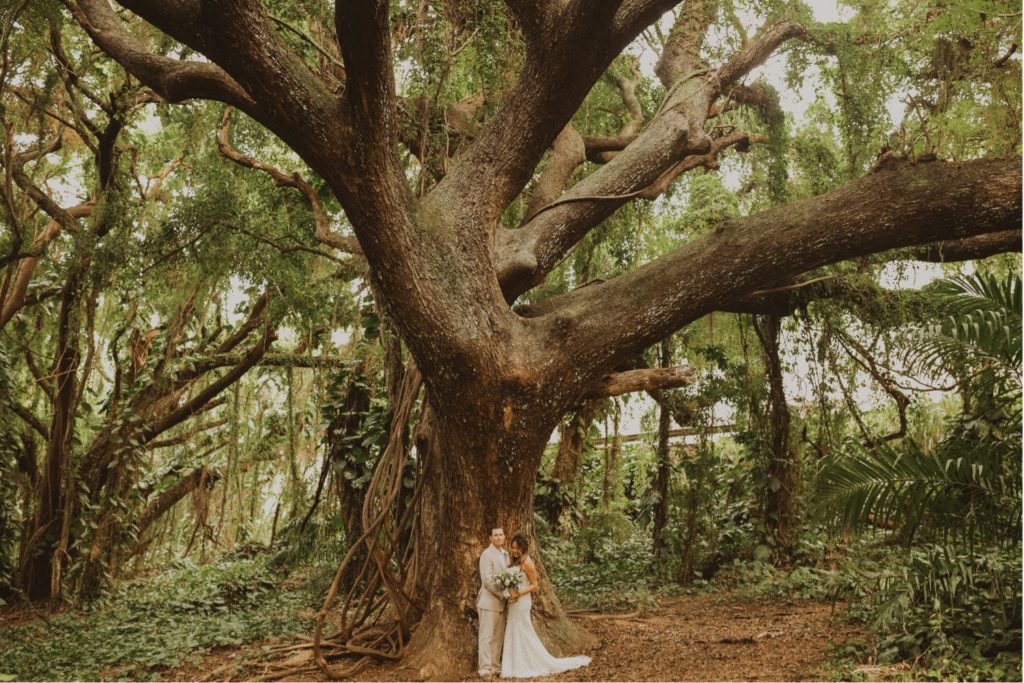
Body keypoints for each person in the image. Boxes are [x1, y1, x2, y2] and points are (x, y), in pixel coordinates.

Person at [501, 534, 591, 678]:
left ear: (523, 548)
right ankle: (513, 663)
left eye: (517, 548)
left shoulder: (528, 562)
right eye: (512, 548)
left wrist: (519, 593)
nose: (514, 551)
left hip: (522, 602)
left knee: (523, 630)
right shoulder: (515, 561)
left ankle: (528, 661)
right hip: (513, 603)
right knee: (514, 628)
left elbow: (535, 585)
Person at [477, 527, 509, 679]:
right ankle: (484, 669)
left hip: (502, 605)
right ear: (490, 538)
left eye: (501, 535)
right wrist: (503, 594)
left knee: (498, 637)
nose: (498, 537)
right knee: (486, 636)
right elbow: (487, 580)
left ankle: (495, 667)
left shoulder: (505, 554)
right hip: (489, 602)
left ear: (504, 537)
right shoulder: (486, 554)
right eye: (495, 535)